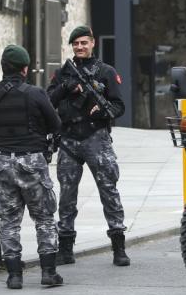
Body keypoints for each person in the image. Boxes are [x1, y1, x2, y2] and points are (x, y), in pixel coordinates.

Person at [0, 45, 64, 289]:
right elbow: (55, 123)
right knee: (44, 218)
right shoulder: (35, 94)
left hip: (3, 162)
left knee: (8, 221)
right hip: (32, 161)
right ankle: (48, 272)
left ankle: (14, 275)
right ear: (25, 69)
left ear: (3, 68)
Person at [47, 26, 130, 266]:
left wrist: (104, 112)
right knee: (67, 196)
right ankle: (65, 248)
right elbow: (48, 99)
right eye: (76, 44)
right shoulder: (63, 73)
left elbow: (118, 105)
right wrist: (66, 87)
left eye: (84, 43)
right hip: (69, 139)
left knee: (109, 191)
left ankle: (118, 247)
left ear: (92, 43)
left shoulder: (105, 71)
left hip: (96, 137)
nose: (80, 47)